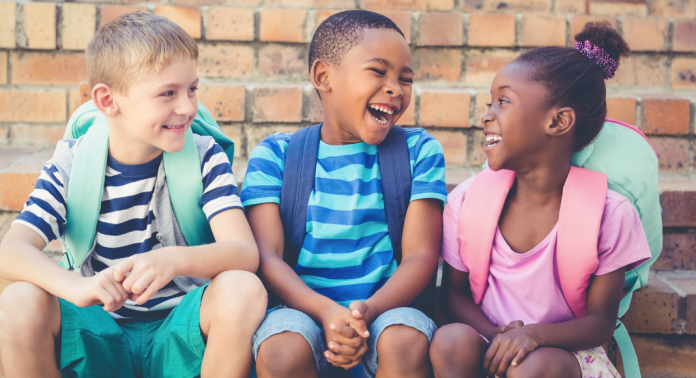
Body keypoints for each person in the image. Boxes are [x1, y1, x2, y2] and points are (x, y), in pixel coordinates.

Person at [0, 12, 266, 378]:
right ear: (108, 101)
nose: (188, 107)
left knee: (243, 288)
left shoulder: (205, 155)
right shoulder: (73, 164)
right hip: (100, 332)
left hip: (181, 333)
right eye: (167, 93)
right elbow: (11, 250)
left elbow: (244, 253)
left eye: (192, 89)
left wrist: (174, 259)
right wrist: (76, 286)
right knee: (18, 299)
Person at [430, 22, 652, 378]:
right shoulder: (468, 202)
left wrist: (534, 336)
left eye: (503, 101)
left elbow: (599, 322)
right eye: (490, 102)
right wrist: (498, 336)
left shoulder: (610, 214)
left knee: (530, 368)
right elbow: (451, 296)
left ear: (558, 121)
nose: (487, 114)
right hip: (492, 344)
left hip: (565, 357)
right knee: (449, 340)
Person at [241, 10, 448, 378]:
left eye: (405, 78)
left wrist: (363, 313)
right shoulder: (276, 155)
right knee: (280, 345)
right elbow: (268, 257)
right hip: (303, 319)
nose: (395, 89)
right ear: (323, 77)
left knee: (405, 336)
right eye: (378, 71)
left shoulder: (419, 151)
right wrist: (326, 313)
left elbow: (420, 256)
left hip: (385, 316)